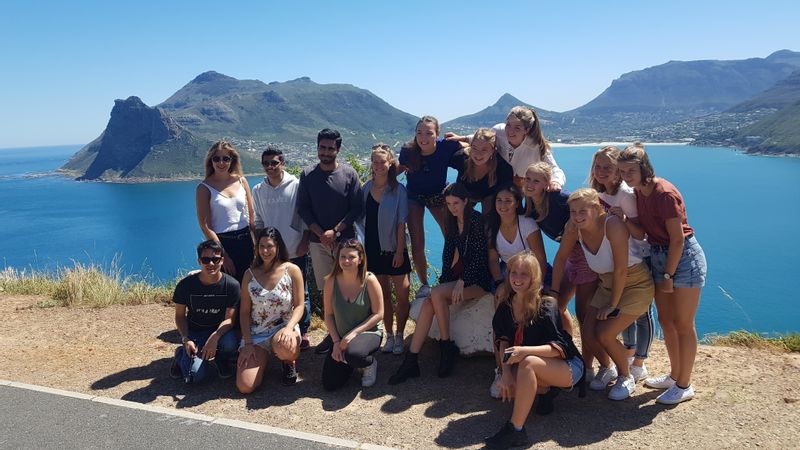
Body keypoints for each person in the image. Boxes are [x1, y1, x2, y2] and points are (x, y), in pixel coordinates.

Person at [618, 143, 707, 405]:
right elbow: (646, 233)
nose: (626, 176)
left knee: (683, 324)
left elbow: (677, 240)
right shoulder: (639, 193)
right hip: (659, 256)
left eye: (630, 171)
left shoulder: (664, 194)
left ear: (644, 168)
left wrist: (668, 276)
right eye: (622, 171)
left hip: (682, 260)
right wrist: (622, 220)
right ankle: (674, 375)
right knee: (667, 323)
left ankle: (684, 384)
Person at [552, 189, 654, 400]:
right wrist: (554, 292)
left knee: (605, 333)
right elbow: (561, 259)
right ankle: (608, 368)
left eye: (583, 210)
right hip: (608, 284)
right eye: (573, 211)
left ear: (597, 208)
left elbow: (621, 269)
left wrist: (613, 305)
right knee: (588, 333)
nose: (577, 216)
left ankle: (626, 377)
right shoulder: (573, 228)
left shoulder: (612, 225)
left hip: (635, 284)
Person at [389, 183, 492, 384]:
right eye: (448, 204)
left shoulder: (478, 221)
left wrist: (461, 282)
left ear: (466, 201)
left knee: (435, 295)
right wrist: (446, 282)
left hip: (479, 280)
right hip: (460, 279)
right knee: (430, 301)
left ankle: (446, 346)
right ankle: (412, 360)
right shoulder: (452, 222)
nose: (452, 208)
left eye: (456, 203)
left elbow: (480, 257)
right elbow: (447, 255)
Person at [485, 252, 583, 449]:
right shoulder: (506, 306)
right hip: (536, 363)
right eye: (514, 273)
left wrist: (524, 351)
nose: (518, 279)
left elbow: (560, 348)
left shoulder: (546, 304)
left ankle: (516, 430)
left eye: (524, 274)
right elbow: (502, 340)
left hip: (566, 364)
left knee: (528, 363)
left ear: (534, 278)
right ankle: (546, 391)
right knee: (506, 386)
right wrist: (504, 372)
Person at [588, 146, 654, 383]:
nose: (602, 171)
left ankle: (639, 362)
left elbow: (640, 234)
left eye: (608, 167)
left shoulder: (625, 195)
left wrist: (624, 220)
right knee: (622, 316)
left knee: (642, 315)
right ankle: (627, 354)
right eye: (598, 166)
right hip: (617, 263)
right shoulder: (599, 195)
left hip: (638, 260)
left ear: (618, 170)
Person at [297, 128, 364, 353]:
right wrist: (321, 234)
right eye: (322, 147)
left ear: (338, 149)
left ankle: (352, 332)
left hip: (345, 243)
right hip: (318, 244)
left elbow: (357, 208)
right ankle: (332, 334)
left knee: (349, 287)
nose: (326, 152)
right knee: (328, 289)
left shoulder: (349, 174)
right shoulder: (307, 175)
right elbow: (303, 209)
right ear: (317, 148)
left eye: (330, 148)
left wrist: (334, 232)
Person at [486, 184, 548, 398]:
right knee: (500, 316)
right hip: (507, 275)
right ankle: (501, 370)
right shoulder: (493, 226)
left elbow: (540, 258)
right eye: (499, 201)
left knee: (547, 311)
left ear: (516, 203)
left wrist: (536, 287)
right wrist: (499, 282)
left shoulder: (526, 224)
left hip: (532, 274)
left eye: (508, 201)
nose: (503, 205)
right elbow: (494, 260)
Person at [524, 162, 598, 339]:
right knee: (556, 306)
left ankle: (593, 361)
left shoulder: (558, 199)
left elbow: (589, 205)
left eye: (536, 180)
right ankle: (567, 344)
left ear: (546, 184)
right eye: (527, 179)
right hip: (571, 257)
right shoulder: (531, 206)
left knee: (582, 312)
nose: (530, 184)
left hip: (587, 255)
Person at [252, 146, 312, 350]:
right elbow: (258, 219)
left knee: (301, 292)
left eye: (274, 163)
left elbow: (305, 215)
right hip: (271, 253)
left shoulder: (295, 185)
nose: (270, 167)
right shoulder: (258, 190)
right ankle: (278, 327)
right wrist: (259, 246)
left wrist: (305, 241)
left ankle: (302, 332)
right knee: (275, 290)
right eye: (266, 163)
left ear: (282, 163)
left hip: (295, 248)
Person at [398, 116, 463, 301]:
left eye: (429, 133)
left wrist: (462, 139)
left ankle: (453, 277)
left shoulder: (446, 146)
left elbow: (470, 152)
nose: (423, 137)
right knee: (418, 243)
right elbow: (399, 167)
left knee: (452, 237)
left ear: (437, 134)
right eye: (419, 132)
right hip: (414, 197)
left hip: (438, 195)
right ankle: (425, 285)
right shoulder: (408, 150)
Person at [236, 228, 305, 393]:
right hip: (258, 332)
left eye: (270, 246)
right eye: (261, 246)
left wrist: (289, 328)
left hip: (284, 328)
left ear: (278, 247)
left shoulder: (292, 270)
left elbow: (300, 305)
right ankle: (263, 358)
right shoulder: (249, 274)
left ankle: (288, 362)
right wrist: (248, 343)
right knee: (245, 386)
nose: (265, 251)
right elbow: (244, 312)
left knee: (284, 347)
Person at [359, 144, 412, 355]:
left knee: (402, 296)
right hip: (373, 249)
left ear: (391, 164)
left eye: (383, 162)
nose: (379, 166)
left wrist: (400, 251)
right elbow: (361, 221)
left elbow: (402, 223)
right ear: (372, 165)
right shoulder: (365, 189)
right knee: (384, 298)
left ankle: (400, 335)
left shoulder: (399, 190)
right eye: (376, 162)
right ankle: (389, 336)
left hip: (394, 249)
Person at [170, 240, 240, 384]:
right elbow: (179, 316)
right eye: (206, 259)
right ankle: (180, 355)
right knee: (196, 376)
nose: (211, 264)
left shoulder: (232, 285)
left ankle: (221, 359)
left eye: (215, 259)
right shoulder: (185, 285)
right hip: (195, 333)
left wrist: (215, 337)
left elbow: (230, 320)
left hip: (220, 333)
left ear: (222, 260)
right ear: (199, 261)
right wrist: (185, 338)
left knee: (231, 343)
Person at [447, 106, 565, 190]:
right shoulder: (499, 131)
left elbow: (554, 168)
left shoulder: (536, 146)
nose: (510, 131)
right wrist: (461, 138)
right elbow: (483, 140)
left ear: (526, 130)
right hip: (505, 183)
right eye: (508, 125)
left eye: (517, 127)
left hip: (526, 185)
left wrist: (556, 181)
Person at [321, 239, 384, 390]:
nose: (346, 261)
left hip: (368, 331)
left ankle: (368, 364)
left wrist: (353, 334)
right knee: (330, 384)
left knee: (355, 355)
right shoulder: (331, 280)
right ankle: (350, 362)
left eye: (351, 257)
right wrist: (336, 342)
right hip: (342, 337)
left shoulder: (369, 280)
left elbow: (379, 314)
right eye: (342, 257)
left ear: (360, 258)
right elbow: (328, 315)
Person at [195, 140, 256, 282]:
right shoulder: (204, 188)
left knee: (250, 288)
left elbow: (251, 217)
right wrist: (223, 255)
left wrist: (257, 245)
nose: (221, 163)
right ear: (211, 161)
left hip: (246, 241)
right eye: (216, 158)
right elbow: (205, 226)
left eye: (225, 158)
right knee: (230, 288)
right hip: (224, 244)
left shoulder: (242, 181)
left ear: (232, 160)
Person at [451, 128, 514, 212]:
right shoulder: (461, 158)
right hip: (465, 195)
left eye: (484, 149)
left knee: (489, 203)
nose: (478, 154)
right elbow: (440, 157)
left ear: (492, 150)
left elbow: (506, 195)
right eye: (475, 148)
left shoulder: (502, 168)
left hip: (489, 197)